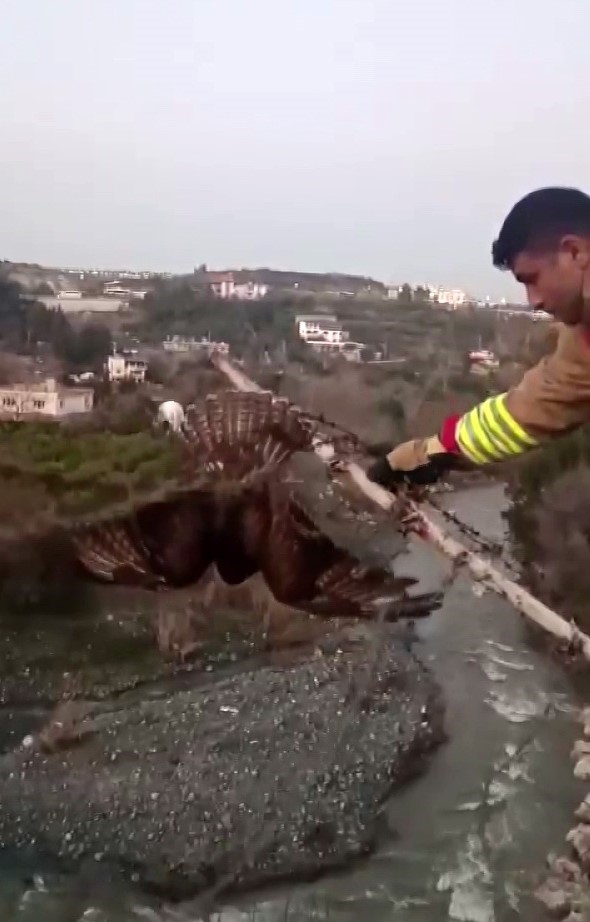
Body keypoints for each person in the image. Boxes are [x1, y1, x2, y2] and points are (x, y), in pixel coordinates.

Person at [367, 186, 590, 490]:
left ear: (574, 252)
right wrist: (434, 451)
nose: (533, 301)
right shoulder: (581, 341)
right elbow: (529, 411)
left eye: (532, 279)